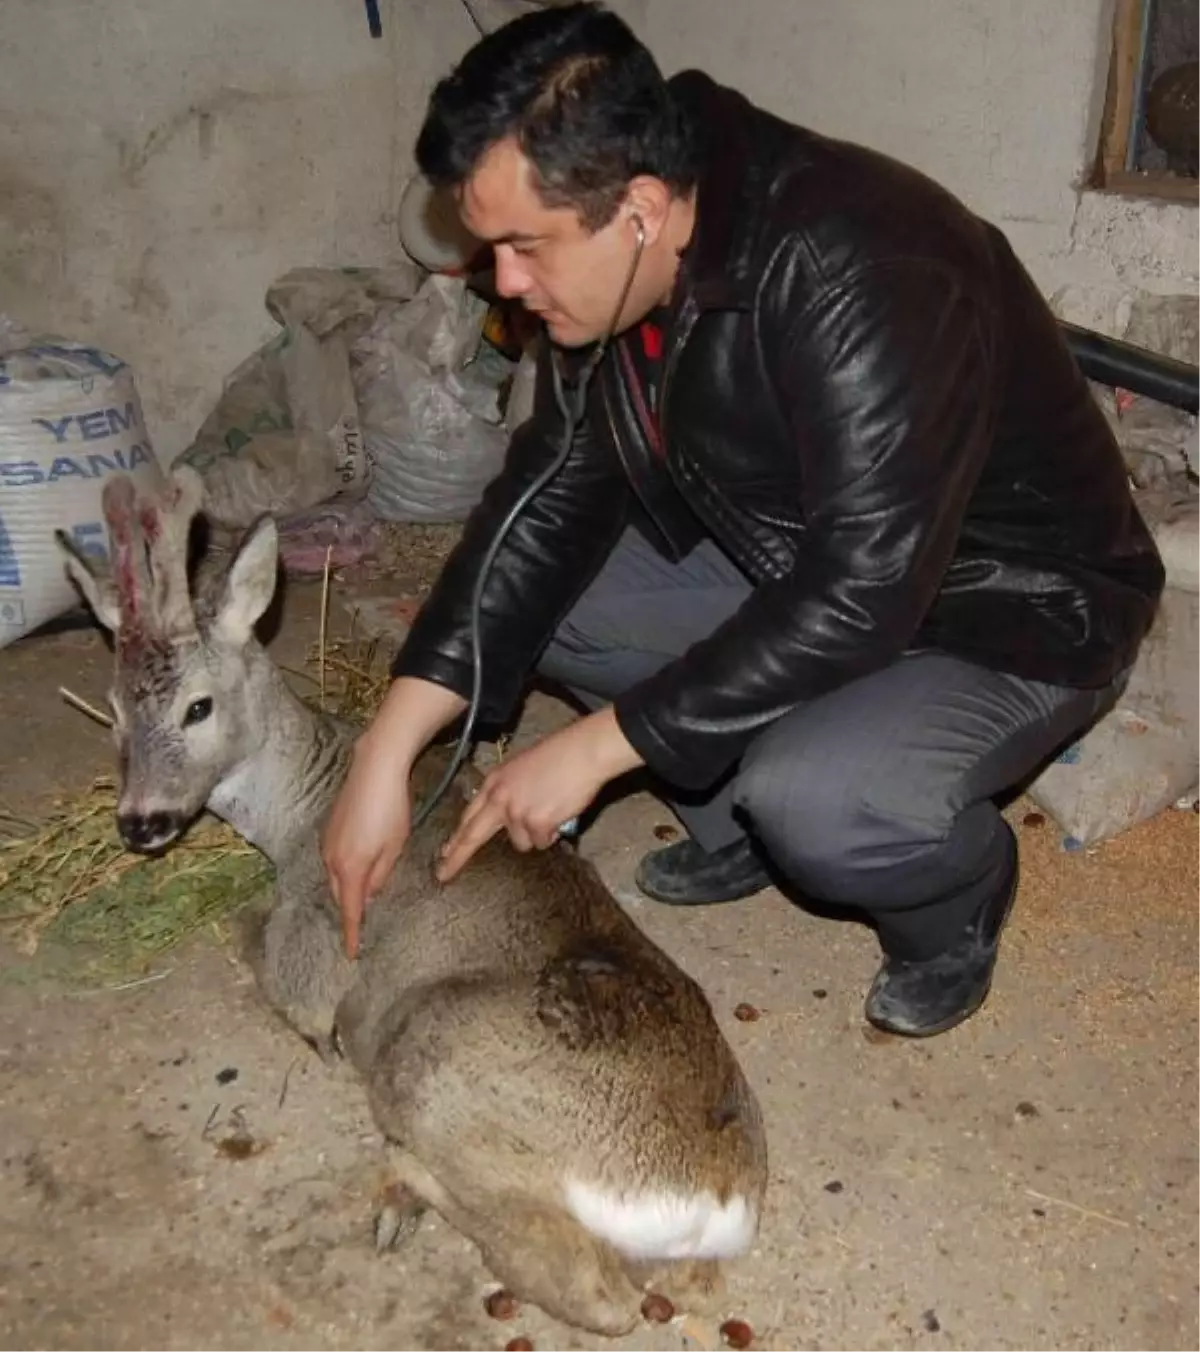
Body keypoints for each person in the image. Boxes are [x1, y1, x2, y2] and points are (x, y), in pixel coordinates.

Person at [322, 2, 1164, 1037]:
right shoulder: (618, 264)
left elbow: (865, 592)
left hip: (1007, 601)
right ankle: (729, 819)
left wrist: (599, 745)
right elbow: (537, 513)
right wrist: (385, 748)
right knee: (567, 604)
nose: (505, 282)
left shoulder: (863, 264)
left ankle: (956, 896)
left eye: (523, 246)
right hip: (811, 557)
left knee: (819, 799)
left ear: (637, 204)